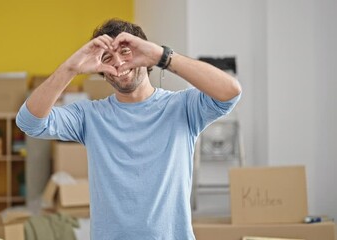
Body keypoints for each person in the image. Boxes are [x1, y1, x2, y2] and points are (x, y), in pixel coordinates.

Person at [17, 18, 241, 240]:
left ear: (146, 55)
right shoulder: (89, 116)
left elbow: (230, 92)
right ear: (101, 71)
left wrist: (163, 56)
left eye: (126, 52)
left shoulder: (182, 107)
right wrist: (70, 68)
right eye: (108, 58)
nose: (118, 62)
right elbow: (29, 122)